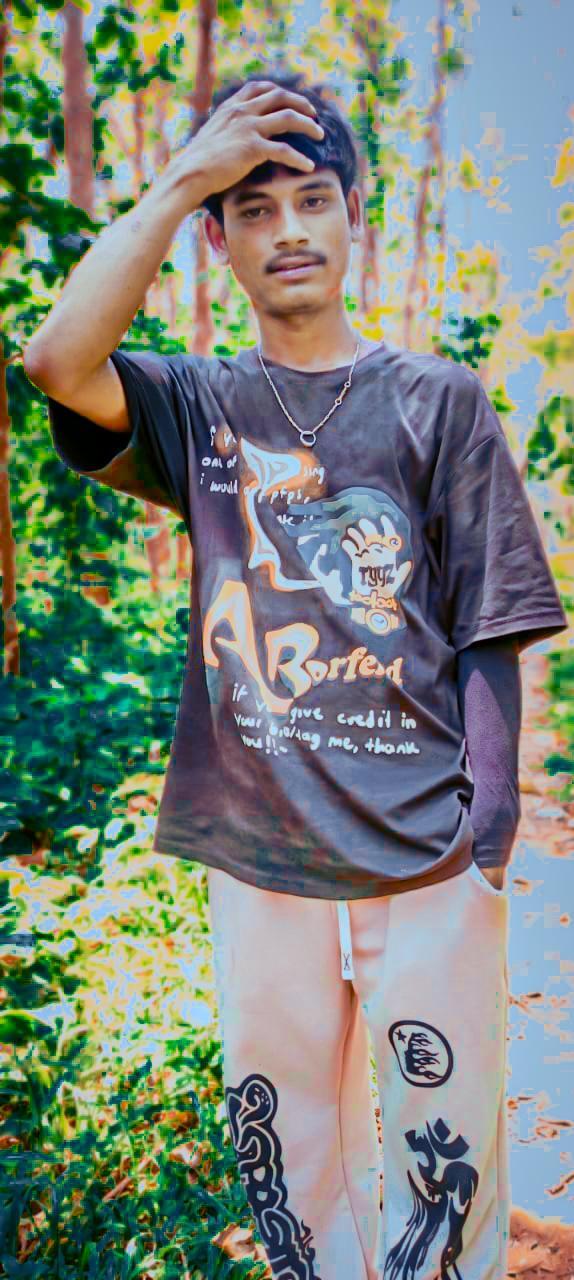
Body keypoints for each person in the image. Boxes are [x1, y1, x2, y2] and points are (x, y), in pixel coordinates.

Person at [23, 71, 568, 1280]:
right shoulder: (198, 403)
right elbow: (58, 359)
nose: (289, 232)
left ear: (353, 214)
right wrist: (183, 177)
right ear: (216, 241)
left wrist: (486, 836)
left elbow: (490, 620)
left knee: (444, 1162)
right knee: (292, 1165)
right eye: (253, 209)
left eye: (313, 199)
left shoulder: (436, 400)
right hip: (259, 853)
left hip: (423, 853)